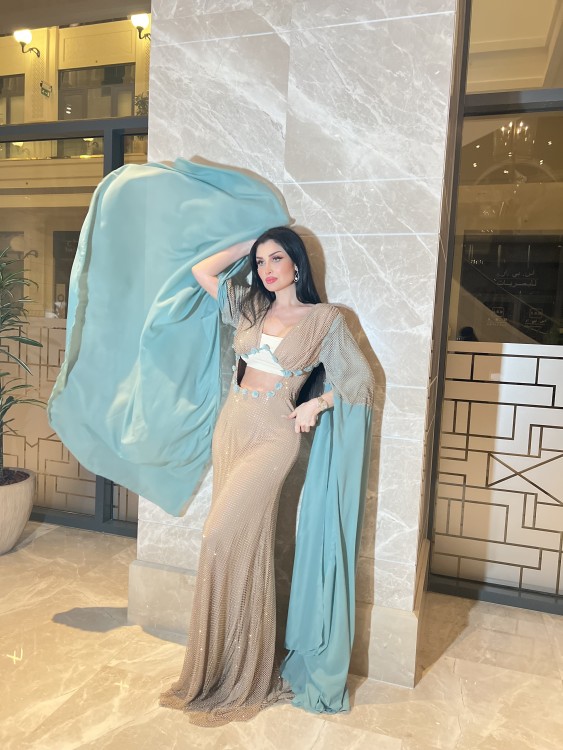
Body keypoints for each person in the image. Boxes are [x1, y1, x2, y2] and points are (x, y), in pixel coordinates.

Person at [159, 226, 375, 726]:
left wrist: (317, 403)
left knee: (218, 536)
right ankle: (224, 665)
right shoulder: (251, 308)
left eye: (277, 258)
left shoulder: (325, 319)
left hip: (274, 437)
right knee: (240, 545)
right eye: (260, 262)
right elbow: (201, 271)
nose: (267, 269)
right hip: (231, 429)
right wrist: (248, 242)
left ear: (297, 263)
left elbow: (360, 380)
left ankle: (244, 671)